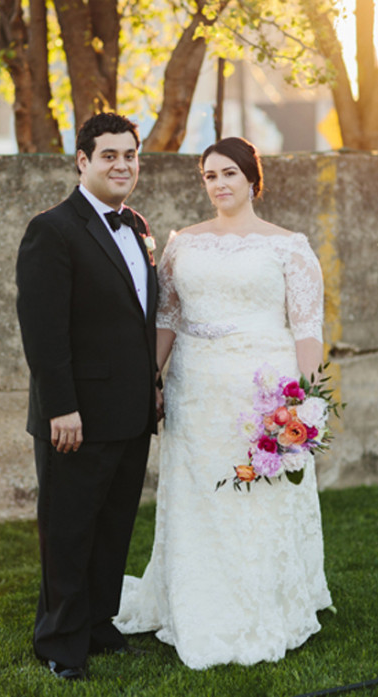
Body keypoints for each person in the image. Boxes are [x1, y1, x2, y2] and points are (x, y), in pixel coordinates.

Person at [115, 136, 332, 669]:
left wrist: (304, 406)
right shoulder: (182, 244)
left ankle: (266, 601)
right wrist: (151, 379)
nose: (220, 184)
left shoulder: (289, 247)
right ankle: (198, 600)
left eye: (229, 173)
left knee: (259, 497)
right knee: (198, 495)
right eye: (210, 176)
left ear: (253, 179)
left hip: (262, 391)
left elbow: (307, 331)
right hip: (196, 390)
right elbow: (167, 320)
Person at [16, 112, 161, 681]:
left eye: (130, 155)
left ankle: (99, 624)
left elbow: (139, 320)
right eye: (109, 156)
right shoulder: (51, 229)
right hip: (74, 415)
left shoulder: (139, 225)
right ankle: (59, 641)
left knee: (113, 527)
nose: (122, 165)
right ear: (83, 161)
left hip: (129, 411)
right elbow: (44, 330)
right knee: (69, 530)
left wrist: (151, 391)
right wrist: (60, 407)